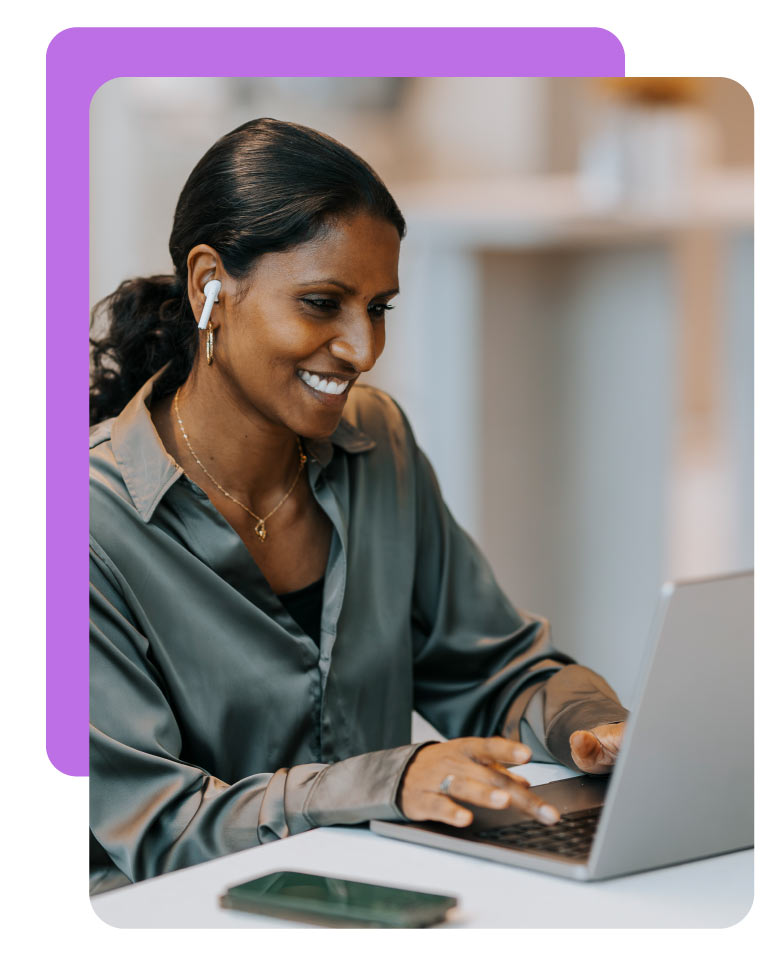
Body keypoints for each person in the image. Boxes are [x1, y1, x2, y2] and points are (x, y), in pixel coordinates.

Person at [89, 118, 628, 896]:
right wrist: (390, 781)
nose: (362, 348)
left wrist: (589, 725)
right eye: (322, 303)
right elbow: (157, 826)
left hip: (375, 904)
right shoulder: (82, 527)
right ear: (210, 284)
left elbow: (488, 667)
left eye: (378, 308)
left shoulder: (377, 444)